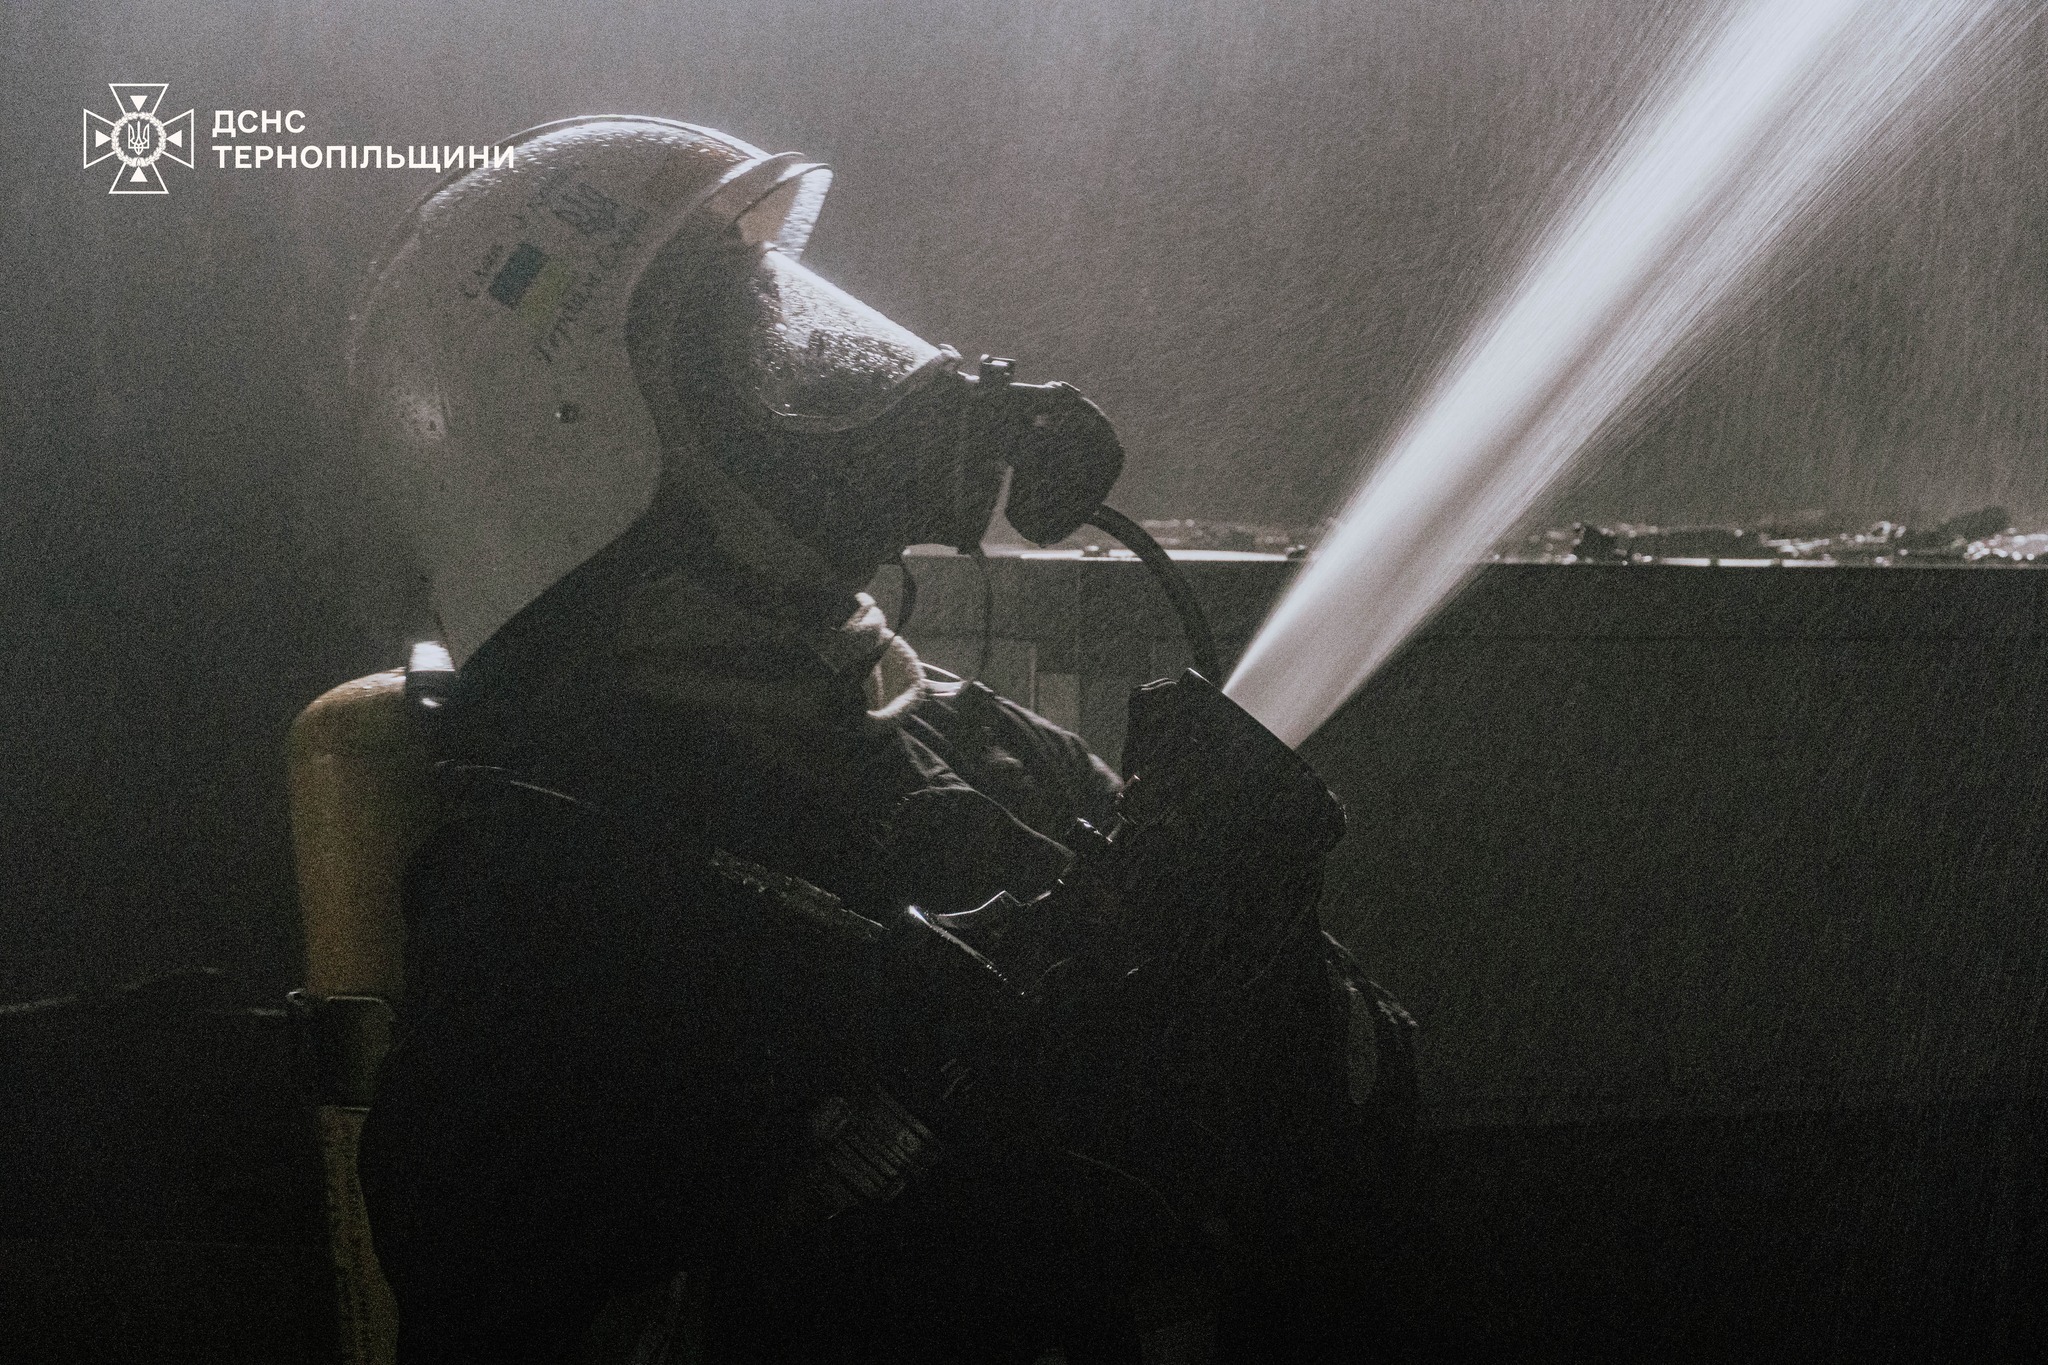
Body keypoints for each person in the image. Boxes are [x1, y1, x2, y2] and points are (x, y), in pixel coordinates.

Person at [349, 117, 1406, 1364]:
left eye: (794, 318)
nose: (871, 380)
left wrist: (1258, 956)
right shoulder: (542, 908)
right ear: (587, 454)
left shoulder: (980, 747)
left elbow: (1360, 1127)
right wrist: (903, 1123)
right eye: (758, 353)